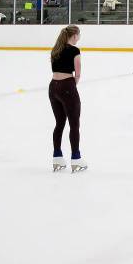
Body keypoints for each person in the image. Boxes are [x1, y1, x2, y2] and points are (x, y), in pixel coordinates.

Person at [49, 25, 86, 172]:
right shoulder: (74, 50)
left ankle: (57, 158)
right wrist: (71, 87)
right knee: (74, 124)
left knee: (59, 123)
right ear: (75, 36)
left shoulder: (55, 49)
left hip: (53, 87)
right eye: (79, 35)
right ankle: (76, 159)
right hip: (67, 87)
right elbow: (77, 73)